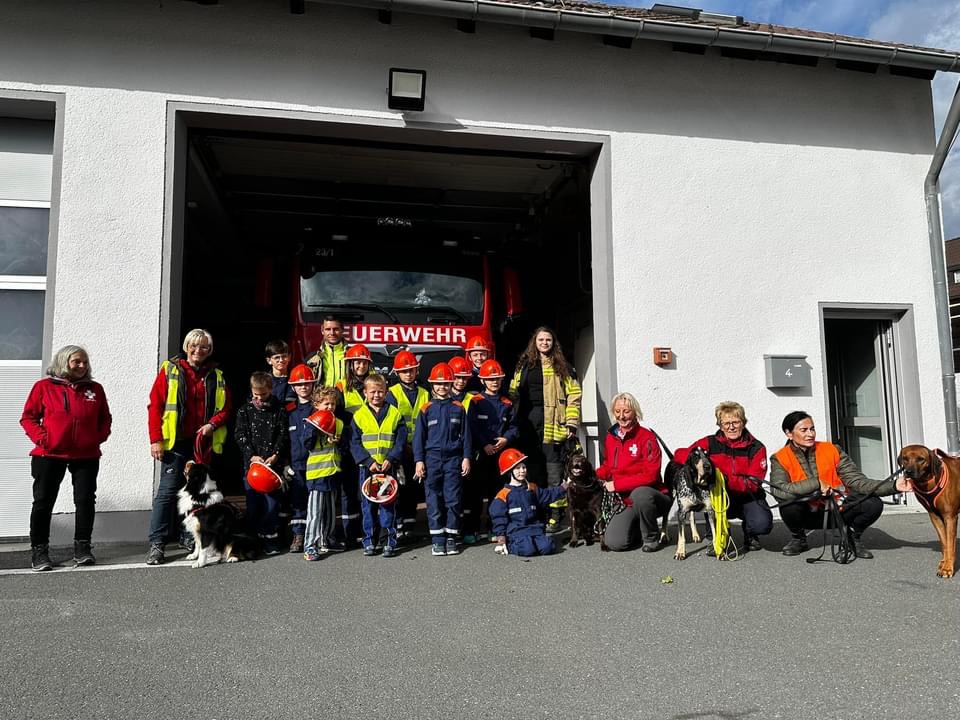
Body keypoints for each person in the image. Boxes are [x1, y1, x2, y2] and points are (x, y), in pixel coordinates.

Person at [20, 345, 112, 571]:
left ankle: (82, 549)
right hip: (49, 454)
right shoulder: (44, 387)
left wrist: (96, 438)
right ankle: (39, 552)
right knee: (43, 502)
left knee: (85, 501)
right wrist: (44, 439)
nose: (82, 366)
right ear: (63, 362)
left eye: (84, 362)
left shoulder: (95, 389)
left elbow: (105, 419)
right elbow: (28, 418)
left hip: (86, 454)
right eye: (76, 362)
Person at [769, 410, 908, 558]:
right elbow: (778, 490)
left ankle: (852, 537)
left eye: (812, 428)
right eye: (804, 430)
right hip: (807, 513)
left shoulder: (832, 449)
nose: (810, 434)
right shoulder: (779, 458)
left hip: (838, 509)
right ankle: (799, 539)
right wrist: (816, 483)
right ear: (789, 433)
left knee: (873, 504)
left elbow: (857, 481)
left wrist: (893, 486)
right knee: (788, 505)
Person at [146, 329, 232, 566]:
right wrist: (155, 439)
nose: (198, 350)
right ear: (186, 347)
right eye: (194, 346)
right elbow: (155, 406)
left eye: (204, 347)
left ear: (209, 350)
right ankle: (157, 543)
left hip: (201, 444)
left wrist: (212, 425)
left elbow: (225, 409)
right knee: (167, 492)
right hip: (175, 443)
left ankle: (189, 538)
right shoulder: (171, 371)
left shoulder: (216, 375)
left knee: (199, 495)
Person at [509, 326, 581, 531]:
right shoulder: (523, 365)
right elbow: (513, 393)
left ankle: (556, 515)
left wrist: (571, 423)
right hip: (529, 425)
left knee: (553, 472)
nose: (544, 343)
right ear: (535, 342)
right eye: (541, 340)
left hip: (553, 424)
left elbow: (574, 396)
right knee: (533, 472)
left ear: (553, 343)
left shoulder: (562, 366)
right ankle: (536, 512)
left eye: (548, 340)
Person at [682, 401, 772, 554]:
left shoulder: (757, 447)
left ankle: (751, 534)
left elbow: (753, 483)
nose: (731, 427)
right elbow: (684, 455)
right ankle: (716, 535)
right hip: (719, 497)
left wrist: (723, 479)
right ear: (720, 425)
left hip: (748, 496)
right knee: (712, 501)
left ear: (743, 423)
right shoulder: (708, 443)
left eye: (735, 422)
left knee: (762, 524)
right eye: (726, 423)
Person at [595, 392, 668, 552]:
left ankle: (651, 537)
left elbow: (651, 475)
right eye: (617, 412)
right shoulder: (611, 437)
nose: (622, 416)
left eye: (626, 411)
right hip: (624, 499)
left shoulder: (647, 437)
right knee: (615, 543)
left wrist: (617, 485)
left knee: (641, 494)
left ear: (635, 412)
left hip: (652, 497)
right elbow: (608, 466)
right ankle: (636, 527)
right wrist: (591, 476)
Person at [414, 362, 472, 556]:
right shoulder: (426, 409)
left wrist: (466, 458)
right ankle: (438, 539)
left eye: (446, 383)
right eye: (438, 384)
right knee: (433, 500)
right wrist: (419, 461)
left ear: (451, 384)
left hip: (453, 459)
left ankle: (451, 537)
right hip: (431, 459)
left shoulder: (459, 408)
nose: (442, 387)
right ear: (432, 385)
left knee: (453, 499)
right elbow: (419, 438)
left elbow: (466, 436)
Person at [350, 374, 407, 557]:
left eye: (380, 391)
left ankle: (388, 541)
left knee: (387, 504)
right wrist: (368, 462)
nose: (376, 395)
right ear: (365, 393)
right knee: (367, 506)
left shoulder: (395, 413)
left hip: (388, 467)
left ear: (386, 392)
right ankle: (369, 541)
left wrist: (392, 458)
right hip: (367, 469)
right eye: (372, 392)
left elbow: (400, 439)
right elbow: (354, 443)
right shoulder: (359, 416)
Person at [235, 372, 289, 555]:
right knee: (253, 504)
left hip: (272, 466)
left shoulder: (279, 410)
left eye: (263, 395)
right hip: (252, 466)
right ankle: (252, 542)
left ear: (271, 390)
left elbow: (283, 435)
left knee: (272, 504)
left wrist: (276, 454)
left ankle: (271, 540)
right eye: (255, 395)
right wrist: (251, 456)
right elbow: (240, 435)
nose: (259, 399)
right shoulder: (245, 411)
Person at [464, 359, 517, 544]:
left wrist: (506, 439)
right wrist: (484, 444)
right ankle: (472, 529)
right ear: (483, 380)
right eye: (491, 379)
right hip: (481, 453)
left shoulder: (507, 403)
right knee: (475, 494)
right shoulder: (476, 401)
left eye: (498, 379)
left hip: (500, 455)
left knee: (497, 493)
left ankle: (495, 528)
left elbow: (513, 426)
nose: (495, 382)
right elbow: (471, 427)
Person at [489, 449, 567, 557]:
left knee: (548, 547)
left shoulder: (531, 488)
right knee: (527, 550)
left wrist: (564, 487)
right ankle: (510, 545)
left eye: (524, 467)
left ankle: (533, 543)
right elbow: (498, 518)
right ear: (509, 471)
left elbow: (547, 495)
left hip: (535, 528)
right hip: (517, 532)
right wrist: (501, 539)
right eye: (517, 468)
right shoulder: (503, 494)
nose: (522, 471)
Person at [386, 350, 428, 540]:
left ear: (416, 371)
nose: (408, 374)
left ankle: (410, 525)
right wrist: (402, 447)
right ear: (397, 373)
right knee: (399, 487)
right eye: (404, 371)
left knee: (413, 487)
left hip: (420, 448)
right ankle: (399, 524)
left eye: (411, 370)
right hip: (400, 448)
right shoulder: (391, 394)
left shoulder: (425, 393)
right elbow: (391, 425)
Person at [302, 404, 346, 560]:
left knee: (331, 511)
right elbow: (306, 444)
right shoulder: (311, 422)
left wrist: (338, 441)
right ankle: (310, 546)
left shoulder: (338, 422)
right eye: (325, 403)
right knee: (315, 513)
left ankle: (326, 539)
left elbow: (344, 446)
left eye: (333, 404)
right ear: (316, 405)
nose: (330, 407)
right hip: (317, 474)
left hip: (333, 471)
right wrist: (316, 428)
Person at [284, 363, 317, 553]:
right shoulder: (288, 412)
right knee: (297, 501)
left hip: (316, 464)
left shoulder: (318, 409)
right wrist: (286, 463)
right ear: (294, 387)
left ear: (313, 385)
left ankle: (315, 535)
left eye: (307, 383)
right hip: (296, 465)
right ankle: (298, 535)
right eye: (300, 384)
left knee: (315, 502)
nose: (304, 387)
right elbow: (284, 440)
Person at [305, 315, 347, 389]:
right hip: (322, 399)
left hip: (347, 399)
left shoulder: (352, 356)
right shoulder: (312, 358)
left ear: (342, 330)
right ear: (322, 331)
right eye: (328, 329)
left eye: (336, 329)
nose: (332, 333)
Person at [265, 339, 295, 408]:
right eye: (276, 357)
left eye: (284, 356)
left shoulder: (295, 379)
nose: (281, 360)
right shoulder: (264, 381)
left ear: (289, 357)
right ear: (269, 360)